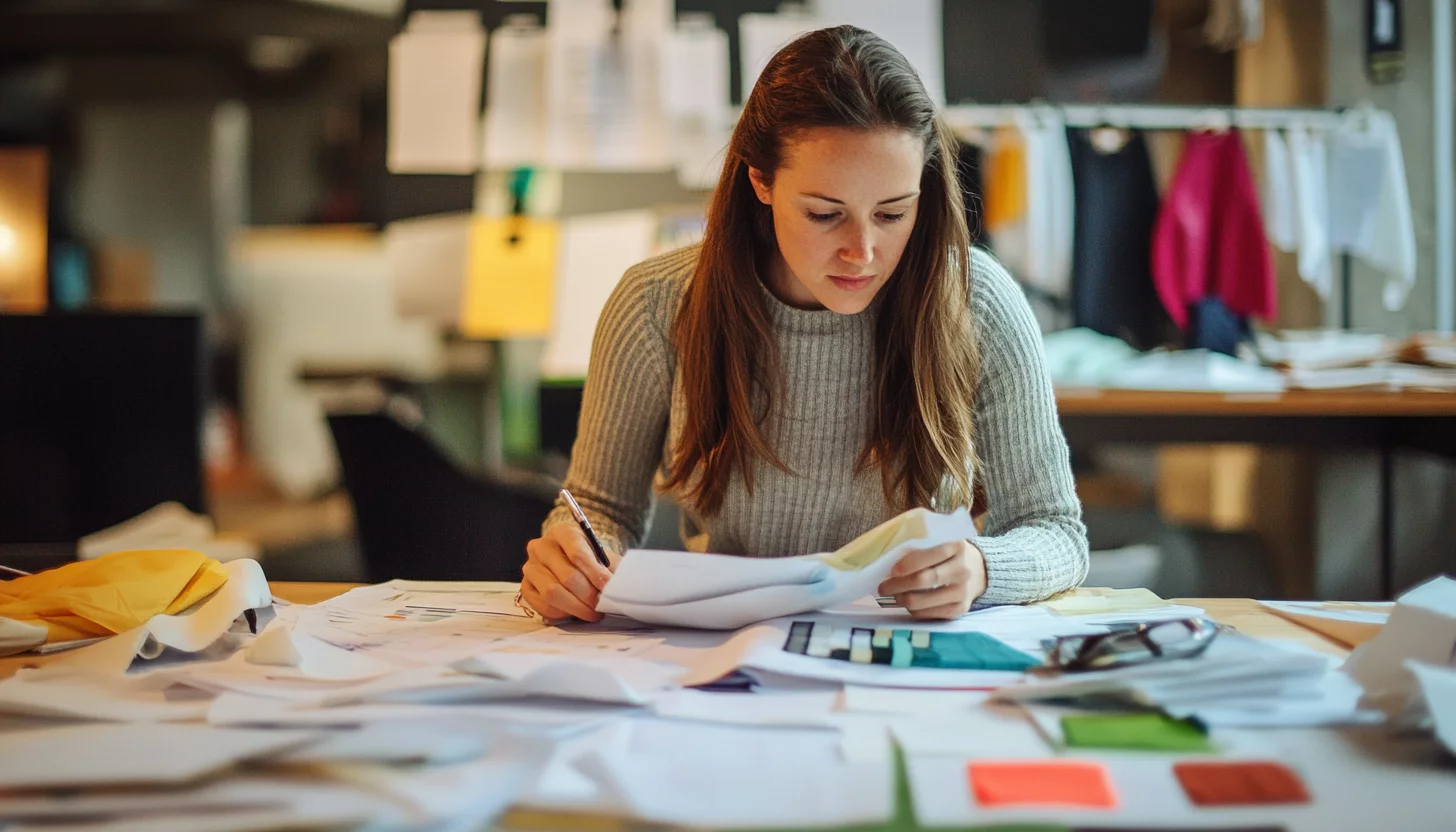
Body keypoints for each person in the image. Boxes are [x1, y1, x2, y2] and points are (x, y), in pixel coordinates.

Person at [521, 25, 1087, 623]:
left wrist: (981, 567)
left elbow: (1055, 531)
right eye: (824, 214)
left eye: (893, 212)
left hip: (907, 652)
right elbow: (596, 507)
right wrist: (575, 558)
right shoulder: (655, 304)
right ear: (760, 181)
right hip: (723, 650)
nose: (863, 251)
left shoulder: (979, 301)